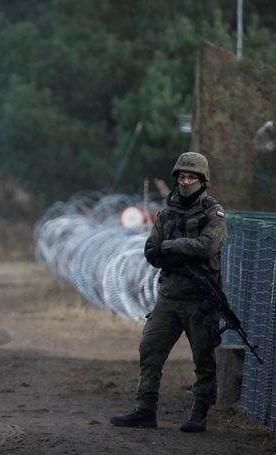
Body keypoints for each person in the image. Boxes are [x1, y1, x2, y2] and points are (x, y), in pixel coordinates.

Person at [110, 151, 227, 433]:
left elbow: (208, 246)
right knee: (150, 351)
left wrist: (173, 247)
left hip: (200, 300)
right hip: (169, 297)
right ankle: (145, 410)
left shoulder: (213, 212)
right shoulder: (167, 214)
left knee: (203, 358)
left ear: (202, 180)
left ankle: (199, 414)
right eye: (182, 176)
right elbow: (151, 250)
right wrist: (175, 251)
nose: (186, 181)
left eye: (191, 177)